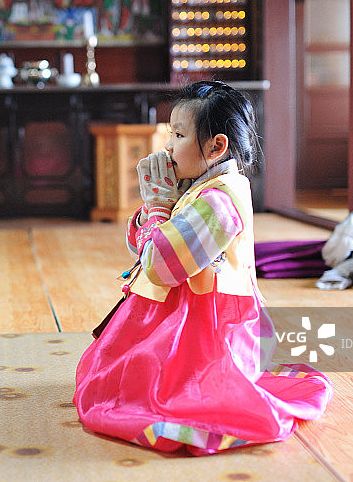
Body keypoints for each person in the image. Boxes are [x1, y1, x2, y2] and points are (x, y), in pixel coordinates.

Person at [74, 80, 333, 455]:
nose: (167, 146)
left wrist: (161, 204)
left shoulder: (219, 201)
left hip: (205, 329)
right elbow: (140, 244)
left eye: (178, 134)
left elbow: (160, 265)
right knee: (108, 375)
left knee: (133, 392)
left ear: (216, 146)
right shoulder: (198, 185)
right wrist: (156, 206)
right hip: (180, 314)